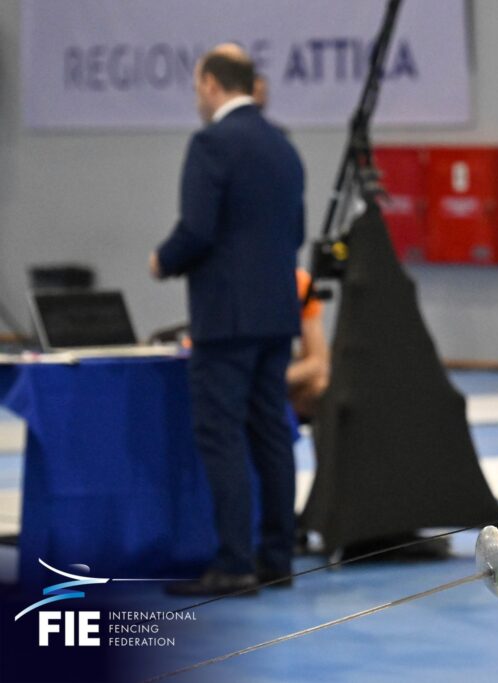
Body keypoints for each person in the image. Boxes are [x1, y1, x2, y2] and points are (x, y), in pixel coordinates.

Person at [150, 43, 305, 596]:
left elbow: (197, 229)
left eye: (197, 88)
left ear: (213, 85)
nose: (197, 99)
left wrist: (162, 260)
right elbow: (297, 233)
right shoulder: (283, 147)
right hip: (277, 314)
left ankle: (235, 563)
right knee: (271, 435)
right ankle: (277, 558)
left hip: (225, 320)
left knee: (221, 435)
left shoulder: (211, 143)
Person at [288, 268, 330, 421]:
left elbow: (318, 362)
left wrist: (274, 379)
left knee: (320, 385)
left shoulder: (300, 283)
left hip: (276, 376)